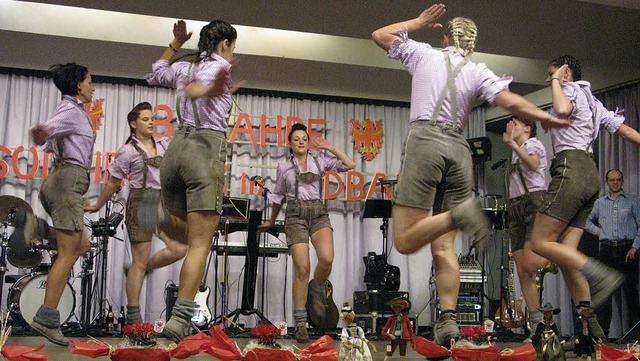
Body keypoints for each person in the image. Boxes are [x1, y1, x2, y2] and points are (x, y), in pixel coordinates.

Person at [371, 4, 567, 347]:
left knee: (403, 239)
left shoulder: (422, 53)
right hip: (459, 151)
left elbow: (379, 35)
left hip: (426, 141)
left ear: (446, 36)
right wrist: (545, 117)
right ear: (471, 44)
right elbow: (509, 100)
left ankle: (460, 214)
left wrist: (417, 23)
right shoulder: (478, 70)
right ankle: (448, 322)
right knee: (444, 245)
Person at [529, 55, 640, 344]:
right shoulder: (593, 101)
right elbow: (623, 130)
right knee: (567, 257)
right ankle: (592, 329)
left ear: (565, 73)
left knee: (540, 243)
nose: (547, 79)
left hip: (570, 169)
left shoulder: (568, 90)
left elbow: (562, 109)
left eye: (551, 74)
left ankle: (599, 276)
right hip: (590, 173)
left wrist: (556, 82)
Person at [145, 19, 240, 342]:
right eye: (233, 47)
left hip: (175, 152)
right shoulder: (217, 67)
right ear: (224, 43)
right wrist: (205, 87)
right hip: (203, 150)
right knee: (201, 243)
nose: (232, 53)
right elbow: (201, 86)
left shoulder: (184, 64)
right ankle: (180, 318)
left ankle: (159, 215)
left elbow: (156, 71)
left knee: (185, 235)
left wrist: (174, 45)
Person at [9, 62, 95, 346]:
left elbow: (53, 138)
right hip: (67, 180)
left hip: (62, 181)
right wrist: (41, 131)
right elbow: (47, 131)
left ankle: (36, 226)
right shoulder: (71, 110)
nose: (93, 86)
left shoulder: (71, 109)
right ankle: (47, 318)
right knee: (69, 253)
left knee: (81, 245)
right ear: (79, 85)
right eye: (89, 81)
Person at [84, 102, 187, 324]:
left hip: (161, 202)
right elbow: (113, 183)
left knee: (179, 249)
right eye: (145, 119)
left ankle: (142, 268)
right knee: (139, 261)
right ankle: (134, 318)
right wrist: (97, 205)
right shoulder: (127, 151)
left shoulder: (163, 144)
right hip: (142, 201)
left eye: (152, 119)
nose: (151, 122)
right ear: (134, 123)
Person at [258, 123, 355, 342]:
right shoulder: (284, 168)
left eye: (304, 138)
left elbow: (351, 164)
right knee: (302, 269)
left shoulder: (320, 161)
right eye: (296, 139)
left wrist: (330, 147)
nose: (301, 142)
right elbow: (277, 197)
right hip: (295, 216)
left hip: (319, 214)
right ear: (290, 144)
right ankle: (301, 323)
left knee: (327, 259)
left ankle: (317, 287)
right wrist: (271, 221)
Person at [502, 116, 552, 341]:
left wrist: (513, 144)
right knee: (523, 269)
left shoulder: (533, 144)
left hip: (533, 204)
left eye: (514, 122)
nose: (509, 126)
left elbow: (532, 163)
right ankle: (537, 323)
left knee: (532, 262)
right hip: (515, 207)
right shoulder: (515, 151)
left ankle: (553, 254)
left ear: (527, 127)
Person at [585, 169, 640, 339]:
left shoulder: (633, 201)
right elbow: (586, 221)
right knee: (605, 294)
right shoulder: (600, 203)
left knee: (631, 293)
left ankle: (634, 335)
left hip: (627, 250)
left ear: (622, 182)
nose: (615, 183)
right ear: (607, 182)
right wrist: (599, 233)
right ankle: (603, 336)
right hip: (607, 250)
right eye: (611, 180)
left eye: (618, 180)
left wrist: (635, 247)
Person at [381, 297, 414, 361]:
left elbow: (410, 330)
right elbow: (384, 331)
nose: (396, 309)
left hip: (403, 338)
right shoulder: (391, 318)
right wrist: (390, 335)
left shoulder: (405, 318)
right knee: (389, 352)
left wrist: (412, 342)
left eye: (398, 308)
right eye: (395, 308)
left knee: (403, 353)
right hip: (392, 338)